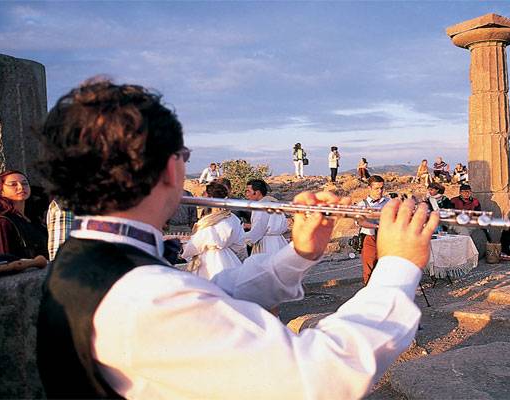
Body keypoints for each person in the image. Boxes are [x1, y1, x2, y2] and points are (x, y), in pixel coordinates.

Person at [35, 79, 441, 399]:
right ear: (170, 170)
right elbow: (319, 380)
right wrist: (398, 266)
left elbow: (211, 295)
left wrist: (299, 254)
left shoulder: (89, 256)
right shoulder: (144, 295)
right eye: (184, 156)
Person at [180, 182, 247, 279]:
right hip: (229, 258)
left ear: (210, 197)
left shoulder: (209, 222)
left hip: (208, 260)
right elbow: (239, 243)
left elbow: (197, 243)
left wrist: (185, 247)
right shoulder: (233, 218)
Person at [0, 170, 49, 260]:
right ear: (1, 191)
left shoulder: (33, 219)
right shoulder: (2, 222)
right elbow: (4, 260)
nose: (21, 187)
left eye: (25, 184)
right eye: (13, 184)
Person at [356, 175, 391, 285]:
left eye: (381, 188)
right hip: (369, 238)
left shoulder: (389, 202)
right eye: (376, 188)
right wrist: (377, 226)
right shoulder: (362, 204)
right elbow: (361, 222)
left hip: (386, 238)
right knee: (369, 269)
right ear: (369, 188)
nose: (379, 191)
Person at [242, 179, 288, 255]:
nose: (246, 194)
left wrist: (241, 239)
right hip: (279, 242)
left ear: (257, 192)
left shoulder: (261, 207)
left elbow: (258, 230)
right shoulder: (274, 203)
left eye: (248, 191)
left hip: (267, 245)